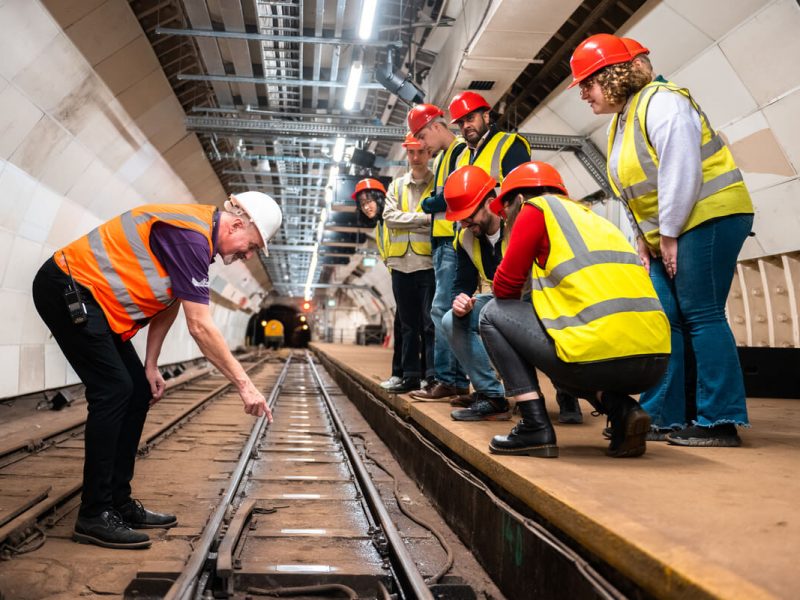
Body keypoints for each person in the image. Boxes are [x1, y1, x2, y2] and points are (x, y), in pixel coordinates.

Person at [32, 192, 282, 549]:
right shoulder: (190, 235)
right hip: (67, 288)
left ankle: (117, 502)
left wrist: (150, 365)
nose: (248, 254)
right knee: (114, 390)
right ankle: (94, 514)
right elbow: (200, 327)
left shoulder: (198, 241)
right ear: (238, 224)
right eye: (252, 245)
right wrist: (245, 385)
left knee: (136, 389)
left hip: (93, 302)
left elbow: (170, 300)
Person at [569, 33, 754, 446]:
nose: (583, 94)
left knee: (701, 313)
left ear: (614, 75)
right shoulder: (624, 119)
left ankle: (719, 421)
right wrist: (643, 239)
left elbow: (681, 170)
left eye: (588, 83)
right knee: (665, 318)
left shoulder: (663, 101)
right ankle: (661, 415)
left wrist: (667, 235)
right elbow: (636, 189)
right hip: (671, 230)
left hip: (710, 215)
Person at [479, 161, 671, 458]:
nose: (507, 223)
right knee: (568, 343)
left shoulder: (536, 210)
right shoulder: (595, 220)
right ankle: (624, 410)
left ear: (518, 199)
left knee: (492, 313)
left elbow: (505, 288)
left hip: (599, 356)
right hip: (655, 361)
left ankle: (534, 426)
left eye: (506, 214)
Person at [405, 104, 470, 402]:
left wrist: (432, 202)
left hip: (452, 242)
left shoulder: (458, 152)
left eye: (421, 135)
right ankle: (454, 380)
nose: (422, 144)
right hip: (443, 242)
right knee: (447, 313)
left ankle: (447, 379)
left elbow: (451, 195)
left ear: (434, 126)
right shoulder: (445, 157)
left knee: (441, 311)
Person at [439, 165, 509, 420]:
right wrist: (459, 300)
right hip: (501, 299)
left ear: (491, 203)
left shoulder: (518, 223)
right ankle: (492, 396)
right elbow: (462, 284)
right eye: (460, 218)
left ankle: (567, 396)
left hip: (533, 300)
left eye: (469, 215)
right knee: (451, 319)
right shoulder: (465, 238)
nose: (465, 223)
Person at [381, 134, 436, 393]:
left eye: (420, 152)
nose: (415, 157)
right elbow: (389, 218)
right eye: (411, 152)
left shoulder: (438, 184)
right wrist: (423, 219)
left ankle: (432, 376)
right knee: (408, 324)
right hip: (400, 263)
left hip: (427, 262)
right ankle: (410, 376)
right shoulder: (396, 185)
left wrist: (411, 218)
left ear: (429, 154)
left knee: (430, 323)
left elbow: (440, 215)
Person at [352, 178, 404, 389]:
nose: (367, 207)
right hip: (401, 278)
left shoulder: (392, 221)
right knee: (401, 327)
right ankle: (401, 374)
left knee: (413, 328)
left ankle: (414, 376)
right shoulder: (380, 227)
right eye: (363, 204)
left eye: (370, 201)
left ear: (381, 199)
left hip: (412, 274)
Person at [449, 90, 531, 184]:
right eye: (461, 123)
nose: (466, 126)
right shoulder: (460, 157)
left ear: (485, 117)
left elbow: (522, 191)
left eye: (470, 118)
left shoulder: (510, 144)